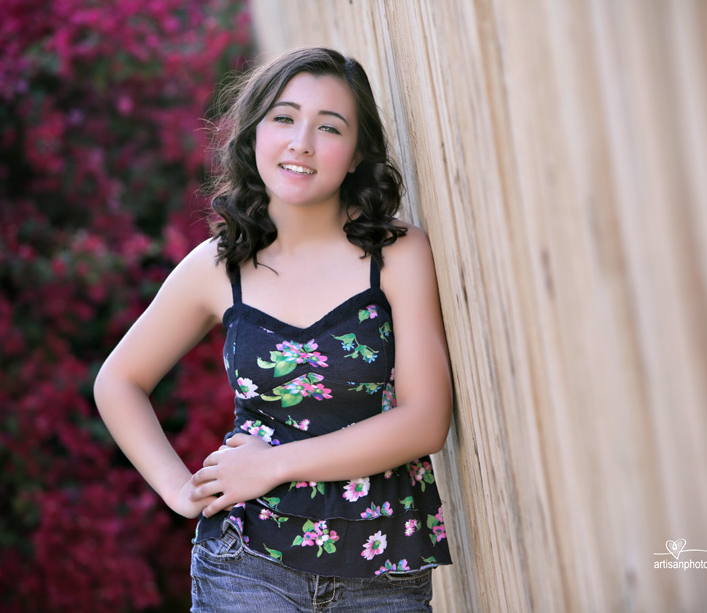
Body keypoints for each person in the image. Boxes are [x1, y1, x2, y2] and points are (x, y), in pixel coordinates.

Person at [93, 46, 453, 612]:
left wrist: (273, 464)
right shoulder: (219, 266)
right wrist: (178, 489)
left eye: (328, 127)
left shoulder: (398, 254)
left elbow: (426, 422)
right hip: (245, 566)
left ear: (358, 153)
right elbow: (118, 381)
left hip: (383, 569)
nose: (301, 142)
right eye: (283, 118)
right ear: (254, 132)